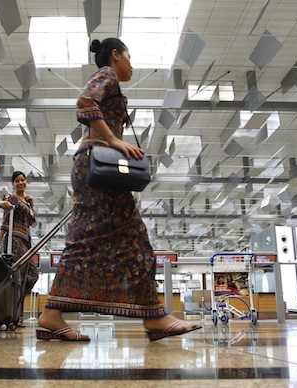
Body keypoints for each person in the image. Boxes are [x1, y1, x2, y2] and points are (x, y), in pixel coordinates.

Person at [36, 38, 202, 341]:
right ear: (115, 55)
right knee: (133, 238)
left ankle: (52, 313)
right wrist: (113, 140)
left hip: (92, 167)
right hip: (98, 164)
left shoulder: (112, 82)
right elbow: (85, 102)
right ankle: (153, 317)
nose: (132, 64)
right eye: (129, 56)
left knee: (93, 238)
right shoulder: (107, 74)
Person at [0, 171, 39, 327]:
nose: (21, 183)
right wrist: (0, 243)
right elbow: (5, 220)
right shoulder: (12, 199)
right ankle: (15, 316)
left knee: (31, 276)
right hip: (14, 240)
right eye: (17, 181)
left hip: (25, 241)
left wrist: (32, 205)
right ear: (13, 184)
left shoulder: (27, 201)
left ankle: (16, 313)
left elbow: (31, 222)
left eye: (23, 180)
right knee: (18, 278)